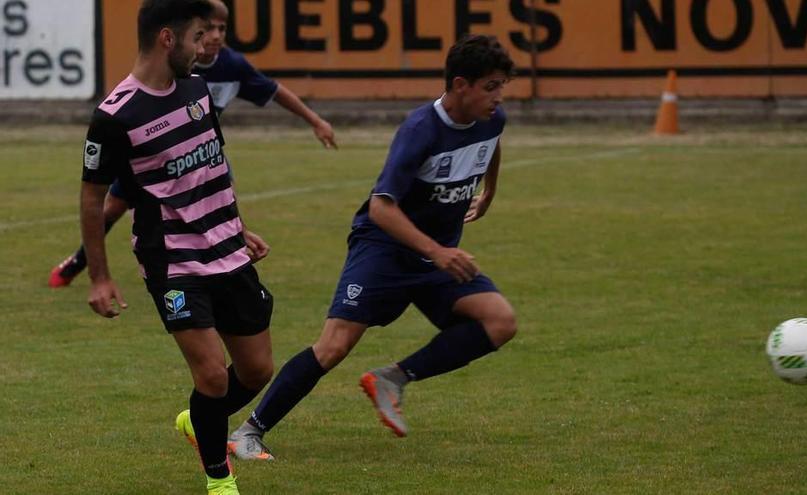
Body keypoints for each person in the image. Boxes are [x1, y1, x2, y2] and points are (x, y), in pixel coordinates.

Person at [226, 34, 517, 461]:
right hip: (384, 250)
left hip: (434, 254)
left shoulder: (493, 118)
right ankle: (248, 431)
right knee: (334, 346)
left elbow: (490, 146)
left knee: (500, 321)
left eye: (501, 86)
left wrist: (489, 191)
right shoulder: (421, 129)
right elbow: (382, 208)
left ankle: (393, 379)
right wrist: (437, 253)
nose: (499, 96)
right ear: (460, 85)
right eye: (491, 86)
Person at [80, 1, 274, 493]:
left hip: (226, 245)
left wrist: (239, 224)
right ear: (168, 38)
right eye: (198, 36)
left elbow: (214, 164)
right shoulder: (115, 116)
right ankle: (219, 479)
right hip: (173, 260)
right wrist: (99, 276)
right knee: (212, 377)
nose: (206, 45)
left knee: (256, 371)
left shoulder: (197, 89)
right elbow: (91, 198)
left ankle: (198, 420)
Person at [49, 0, 336, 288]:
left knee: (222, 196)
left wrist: (316, 121)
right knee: (112, 209)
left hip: (202, 150)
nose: (214, 36)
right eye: (206, 29)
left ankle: (217, 264)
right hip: (155, 154)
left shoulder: (231, 65)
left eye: (221, 28)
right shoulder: (173, 60)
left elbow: (274, 91)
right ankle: (79, 262)